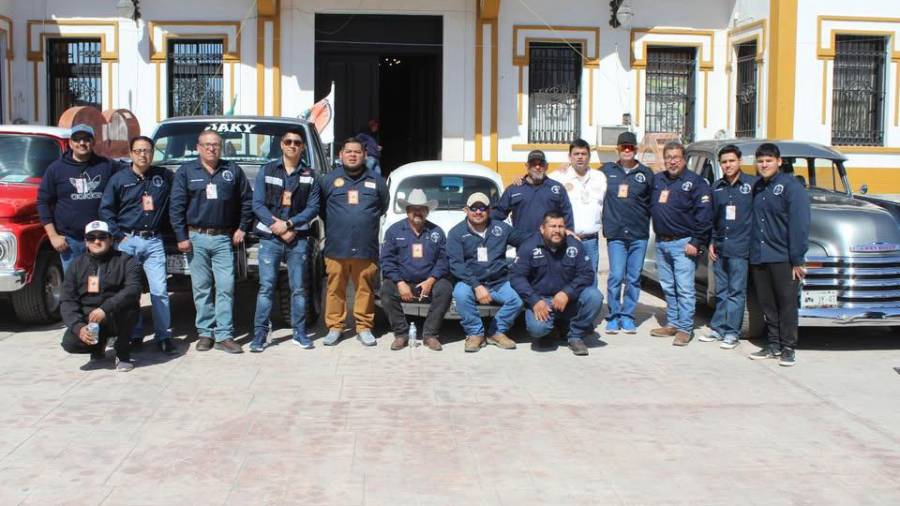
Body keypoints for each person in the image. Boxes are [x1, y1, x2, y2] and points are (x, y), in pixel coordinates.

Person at [169, 130, 253, 354]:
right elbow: (176, 206)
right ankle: (205, 333)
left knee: (226, 287)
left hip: (224, 239)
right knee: (201, 288)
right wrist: (181, 236)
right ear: (198, 147)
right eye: (206, 145)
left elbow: (247, 201)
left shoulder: (232, 170)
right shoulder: (186, 171)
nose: (211, 148)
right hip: (195, 238)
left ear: (221, 147)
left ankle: (224, 335)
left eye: (215, 145)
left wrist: (242, 228)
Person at [99, 136, 177, 355]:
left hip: (153, 241)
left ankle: (164, 336)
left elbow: (181, 196)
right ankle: (132, 334)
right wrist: (117, 236)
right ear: (131, 153)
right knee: (128, 292)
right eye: (139, 150)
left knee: (160, 291)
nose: (143, 155)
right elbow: (106, 210)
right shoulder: (118, 179)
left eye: (148, 151)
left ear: (153, 153)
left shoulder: (163, 177)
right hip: (127, 241)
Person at [249, 129, 320, 352]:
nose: (292, 145)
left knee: (298, 289)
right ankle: (260, 335)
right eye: (288, 142)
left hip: (297, 238)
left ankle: (299, 333)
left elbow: (313, 208)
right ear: (281, 144)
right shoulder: (267, 170)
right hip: (270, 238)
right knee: (266, 287)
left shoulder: (311, 175)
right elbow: (257, 204)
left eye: (297, 143)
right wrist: (277, 227)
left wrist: (289, 225)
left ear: (303, 147)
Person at [319, 137, 389, 346]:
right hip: (336, 246)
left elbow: (382, 207)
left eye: (357, 152)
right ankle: (335, 327)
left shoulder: (377, 181)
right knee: (335, 289)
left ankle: (364, 327)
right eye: (348, 151)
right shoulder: (328, 180)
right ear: (340, 155)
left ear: (365, 155)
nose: (352, 155)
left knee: (364, 288)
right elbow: (322, 209)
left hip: (366, 247)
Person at [748, 143, 810, 367]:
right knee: (768, 304)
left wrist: (798, 258)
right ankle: (773, 344)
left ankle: (788, 347)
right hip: (760, 255)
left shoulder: (791, 187)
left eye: (768, 160)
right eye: (760, 161)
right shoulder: (758, 187)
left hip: (783, 257)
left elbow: (799, 225)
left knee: (786, 304)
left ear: (779, 162)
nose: (764, 165)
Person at [511, 211, 603, 356]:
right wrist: (534, 301)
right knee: (537, 329)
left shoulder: (574, 245)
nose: (557, 230)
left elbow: (587, 274)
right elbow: (517, 277)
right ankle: (549, 332)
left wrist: (567, 292)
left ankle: (575, 335)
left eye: (561, 226)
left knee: (594, 296)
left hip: (569, 299)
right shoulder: (529, 246)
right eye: (552, 226)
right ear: (542, 228)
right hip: (542, 301)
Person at [649, 141, 713, 346]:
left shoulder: (696, 182)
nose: (671, 162)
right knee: (668, 287)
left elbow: (704, 216)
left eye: (675, 157)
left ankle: (685, 328)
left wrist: (696, 241)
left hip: (684, 244)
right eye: (668, 158)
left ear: (683, 159)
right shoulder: (658, 179)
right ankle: (673, 323)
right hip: (662, 243)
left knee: (685, 288)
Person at [447, 192, 529, 352]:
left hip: (498, 281)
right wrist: (477, 286)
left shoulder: (501, 228)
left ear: (489, 210)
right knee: (460, 295)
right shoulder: (456, 233)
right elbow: (456, 265)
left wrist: (554, 234)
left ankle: (496, 332)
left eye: (483, 208)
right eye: (474, 208)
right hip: (470, 282)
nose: (478, 212)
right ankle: (475, 333)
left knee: (517, 299)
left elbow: (526, 239)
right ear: (466, 210)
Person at [59, 221, 142, 372]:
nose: (97, 241)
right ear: (86, 242)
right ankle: (97, 347)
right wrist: (78, 328)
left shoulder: (126, 260)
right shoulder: (76, 265)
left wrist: (105, 308)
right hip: (90, 317)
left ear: (110, 239)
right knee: (69, 343)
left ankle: (123, 354)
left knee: (129, 308)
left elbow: (133, 289)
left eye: (102, 237)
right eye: (91, 238)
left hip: (115, 314)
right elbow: (67, 299)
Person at [37, 124, 121, 272]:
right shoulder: (56, 169)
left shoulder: (107, 165)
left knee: (103, 285)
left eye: (86, 139)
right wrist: (53, 236)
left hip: (100, 239)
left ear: (93, 142)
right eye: (77, 139)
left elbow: (131, 176)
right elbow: (43, 202)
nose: (82, 143)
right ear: (70, 143)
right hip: (70, 242)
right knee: (74, 288)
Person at [698, 145, 757, 350]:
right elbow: (714, 218)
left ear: (739, 161)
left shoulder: (752, 185)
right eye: (724, 162)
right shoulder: (717, 187)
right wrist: (712, 242)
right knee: (721, 291)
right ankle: (718, 328)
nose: (728, 165)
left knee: (736, 292)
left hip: (741, 248)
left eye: (732, 161)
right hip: (721, 247)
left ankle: (732, 332)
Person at [380, 189, 452, 351]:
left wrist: (431, 280)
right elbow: (387, 260)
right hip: (403, 282)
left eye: (421, 209)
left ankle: (430, 335)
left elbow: (443, 260)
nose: (417, 212)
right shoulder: (394, 231)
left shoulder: (437, 232)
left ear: (427, 211)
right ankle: (401, 334)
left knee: (445, 288)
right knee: (386, 290)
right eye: (414, 209)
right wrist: (399, 283)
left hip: (429, 282)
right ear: (407, 211)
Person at [600, 132, 655, 335]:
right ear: (617, 149)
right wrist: (565, 168)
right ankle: (613, 316)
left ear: (636, 150)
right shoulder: (606, 171)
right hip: (616, 235)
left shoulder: (646, 174)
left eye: (630, 147)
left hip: (638, 234)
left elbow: (654, 199)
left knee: (633, 277)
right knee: (615, 276)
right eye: (623, 147)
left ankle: (628, 316)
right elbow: (582, 177)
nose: (626, 150)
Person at [548, 139, 607, 283]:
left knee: (590, 280)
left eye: (583, 154)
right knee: (565, 280)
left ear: (589, 156)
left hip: (590, 241)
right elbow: (537, 182)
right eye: (576, 154)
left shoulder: (599, 177)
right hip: (565, 240)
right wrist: (522, 179)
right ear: (569, 157)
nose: (580, 157)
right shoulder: (558, 177)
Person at [492, 149, 574, 236]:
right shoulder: (514, 189)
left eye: (541, 164)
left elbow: (567, 214)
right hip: (523, 244)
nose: (537, 167)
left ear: (546, 166)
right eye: (533, 164)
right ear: (527, 166)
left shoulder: (557, 188)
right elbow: (498, 213)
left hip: (551, 244)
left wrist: (569, 236)